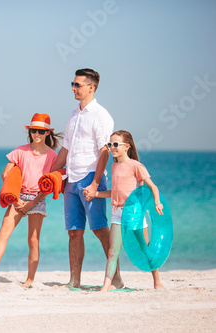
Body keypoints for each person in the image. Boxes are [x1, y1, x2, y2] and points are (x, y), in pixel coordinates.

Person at [51, 68, 122, 289]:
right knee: (74, 232)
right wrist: (51, 174)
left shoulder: (101, 115)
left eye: (77, 85)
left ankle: (116, 278)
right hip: (71, 179)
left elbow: (104, 151)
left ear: (91, 87)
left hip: (91, 177)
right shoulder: (74, 114)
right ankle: (74, 281)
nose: (73, 88)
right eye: (72, 84)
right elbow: (65, 148)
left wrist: (94, 183)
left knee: (100, 230)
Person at [0, 113, 62, 287]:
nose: (37, 134)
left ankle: (29, 280)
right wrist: (14, 199)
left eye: (41, 131)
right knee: (3, 233)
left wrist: (31, 203)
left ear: (47, 134)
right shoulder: (20, 151)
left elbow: (49, 185)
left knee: (33, 240)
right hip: (18, 196)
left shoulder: (53, 156)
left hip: (37, 199)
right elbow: (5, 175)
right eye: (34, 131)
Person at [84, 130, 165, 291]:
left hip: (134, 213)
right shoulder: (114, 166)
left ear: (126, 146)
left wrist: (157, 202)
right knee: (112, 251)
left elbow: (153, 187)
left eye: (115, 144)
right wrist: (96, 194)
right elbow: (115, 192)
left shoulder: (136, 166)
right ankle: (106, 286)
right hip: (117, 213)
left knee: (144, 247)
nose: (112, 147)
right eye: (110, 145)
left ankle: (157, 280)